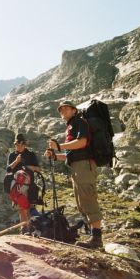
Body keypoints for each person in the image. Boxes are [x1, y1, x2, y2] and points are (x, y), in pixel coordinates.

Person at [44, 101, 104, 249]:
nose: (62, 111)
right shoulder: (70, 126)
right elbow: (70, 154)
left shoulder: (79, 122)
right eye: (60, 109)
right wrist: (56, 155)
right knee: (82, 202)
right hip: (77, 165)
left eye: (66, 108)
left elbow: (82, 142)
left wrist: (59, 146)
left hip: (84, 165)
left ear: (73, 110)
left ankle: (97, 238)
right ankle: (93, 236)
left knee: (87, 198)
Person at [6, 133, 41, 233]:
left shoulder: (31, 154)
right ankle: (24, 229)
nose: (19, 146)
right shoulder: (12, 155)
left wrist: (29, 167)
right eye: (17, 145)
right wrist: (16, 161)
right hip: (17, 187)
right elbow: (8, 169)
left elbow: (39, 169)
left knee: (29, 207)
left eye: (21, 144)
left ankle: (31, 228)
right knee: (21, 208)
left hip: (30, 186)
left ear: (25, 144)